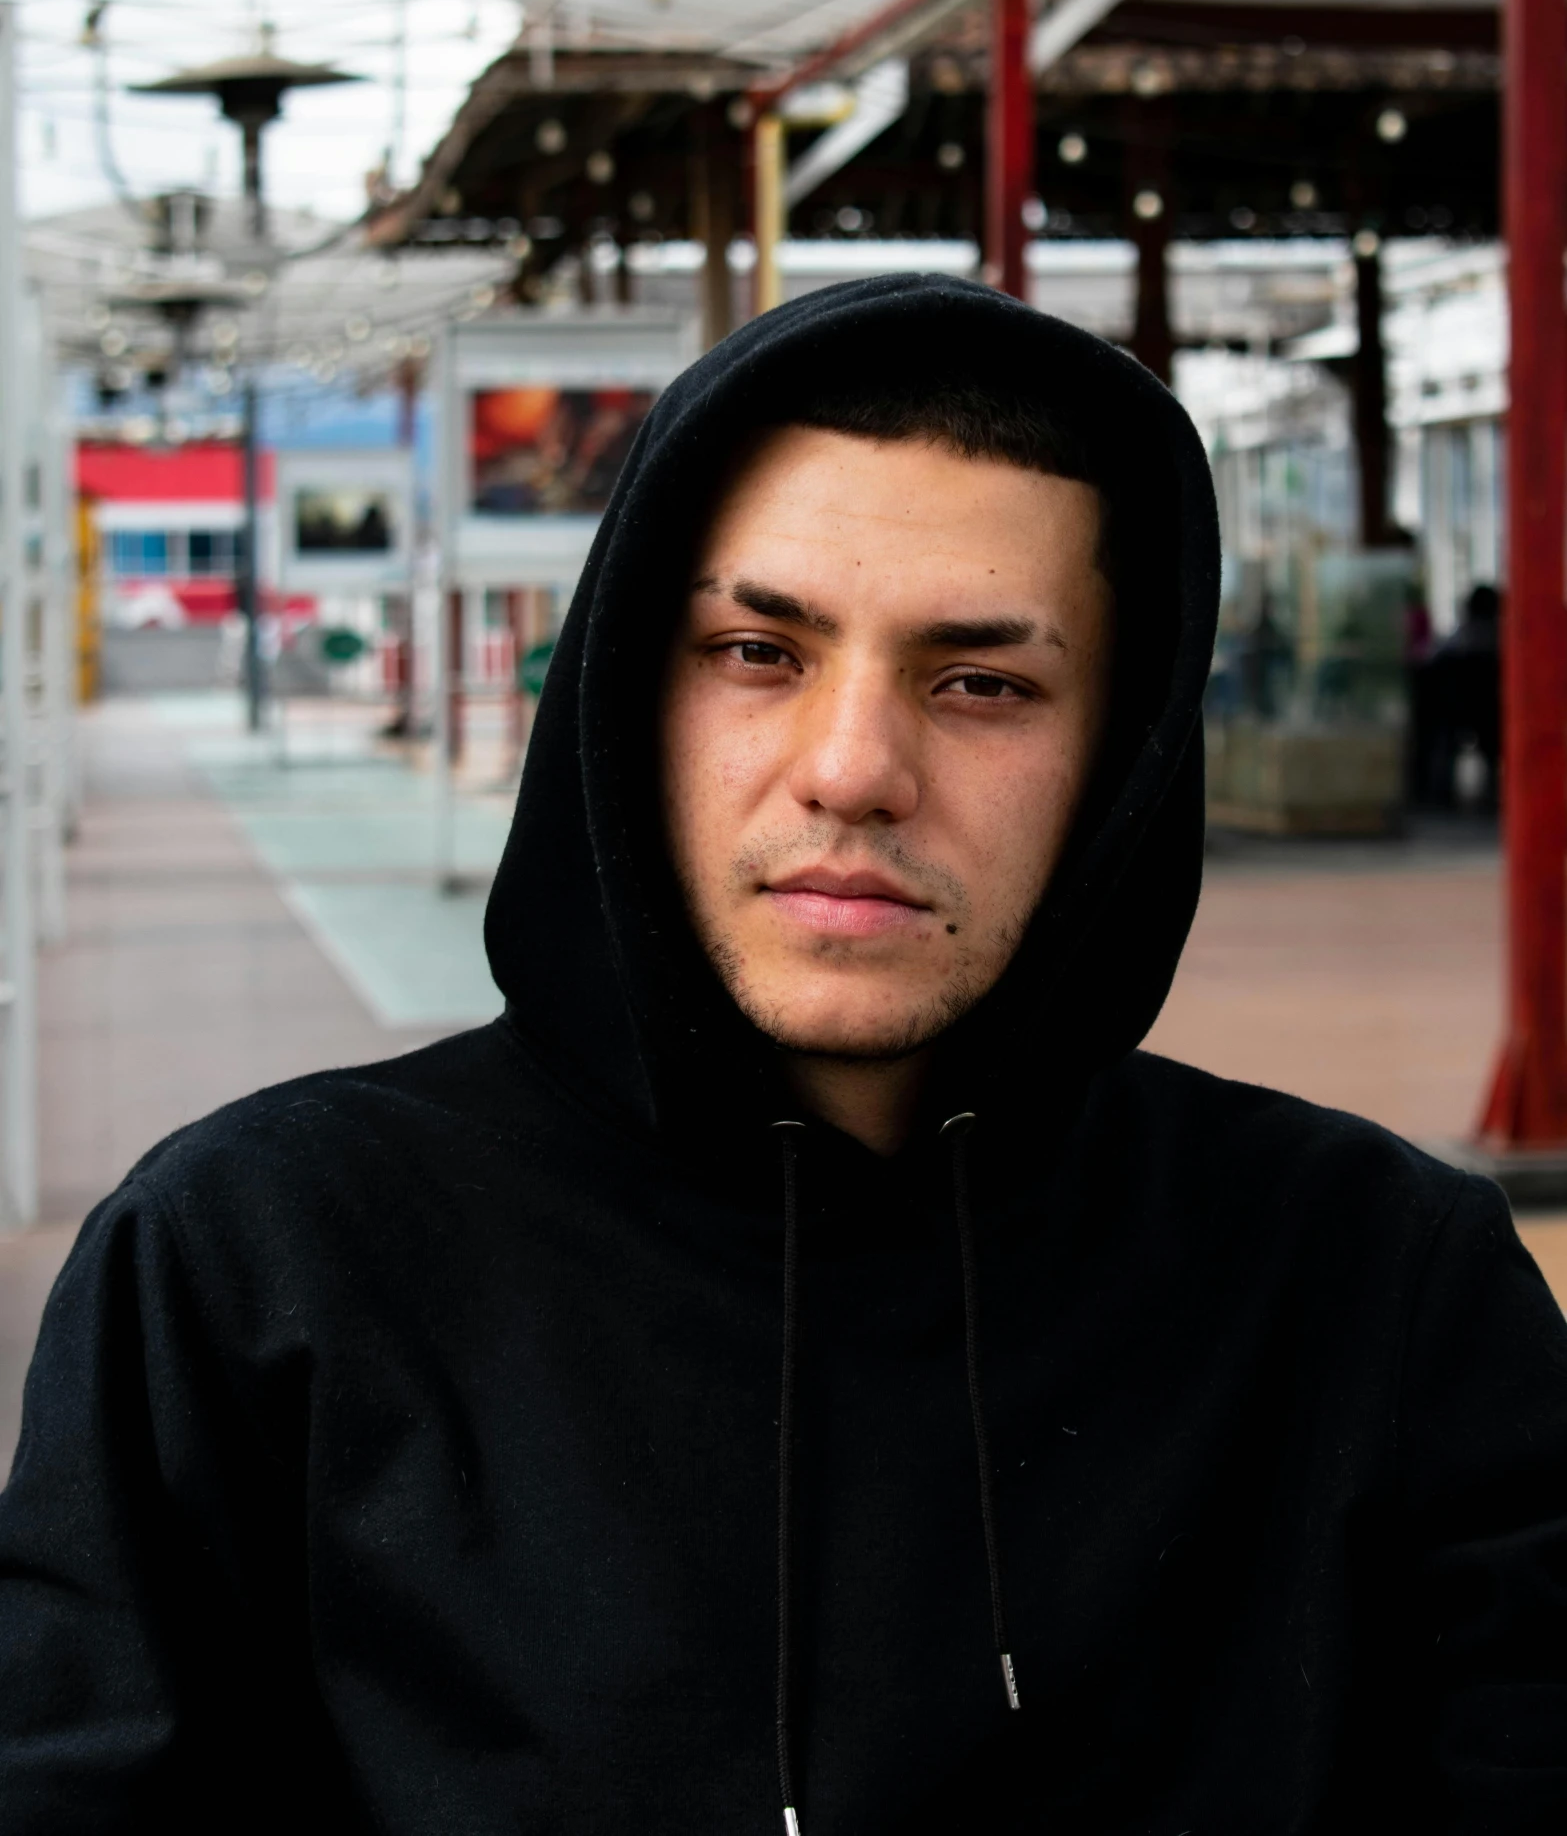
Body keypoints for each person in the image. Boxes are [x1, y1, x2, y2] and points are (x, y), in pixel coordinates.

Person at [2, 276, 1564, 1834]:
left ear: (1122, 752)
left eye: (981, 684)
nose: (852, 769)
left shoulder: (1374, 1291)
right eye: (757, 651)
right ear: (624, 684)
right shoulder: (256, 1266)